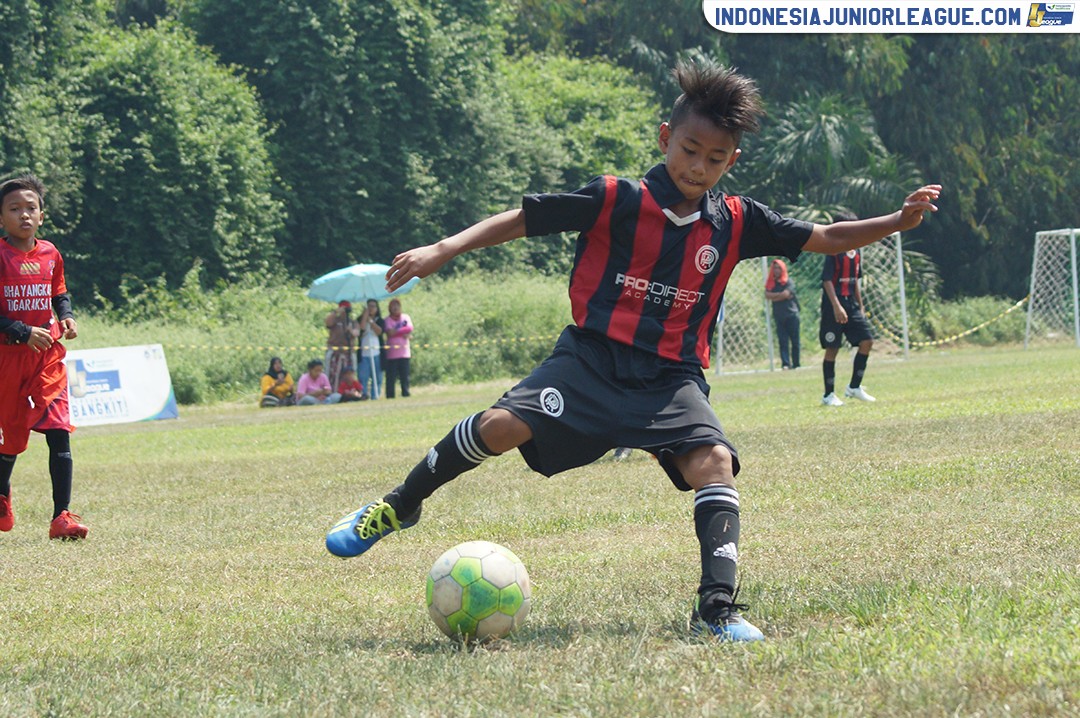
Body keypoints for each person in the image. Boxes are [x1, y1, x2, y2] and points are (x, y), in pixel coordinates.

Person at [325, 60, 941, 642]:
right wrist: (443, 249)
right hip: (590, 359)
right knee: (500, 425)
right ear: (665, 137)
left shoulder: (735, 220)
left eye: (716, 158)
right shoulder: (615, 199)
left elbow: (827, 236)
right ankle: (398, 506)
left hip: (671, 377)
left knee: (714, 464)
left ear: (733, 161)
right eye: (690, 151)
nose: (699, 167)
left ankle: (717, 611)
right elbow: (518, 219)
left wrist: (895, 220)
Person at [0, 174, 89, 540]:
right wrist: (21, 331)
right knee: (12, 441)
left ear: (41, 215)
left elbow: (59, 290)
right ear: (1, 217)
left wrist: (65, 314)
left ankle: (62, 517)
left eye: (30, 208)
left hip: (47, 358)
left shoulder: (51, 253)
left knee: (59, 432)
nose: (24, 215)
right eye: (14, 209)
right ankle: (2, 495)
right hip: (8, 361)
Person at [819, 211, 876, 406]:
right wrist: (836, 306)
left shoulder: (856, 251)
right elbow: (826, 280)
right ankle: (828, 395)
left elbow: (855, 281)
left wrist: (860, 306)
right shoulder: (833, 251)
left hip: (850, 303)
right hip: (833, 305)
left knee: (867, 341)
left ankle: (854, 387)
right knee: (832, 348)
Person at [764, 258, 800, 369]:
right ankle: (785, 363)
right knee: (782, 341)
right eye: (775, 268)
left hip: (791, 314)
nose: (776, 270)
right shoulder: (771, 283)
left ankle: (796, 363)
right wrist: (780, 296)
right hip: (779, 315)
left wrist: (774, 296)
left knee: (795, 340)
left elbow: (786, 294)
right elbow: (767, 294)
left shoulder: (788, 281)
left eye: (779, 268)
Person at [325, 300, 359, 391]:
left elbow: (357, 333)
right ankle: (333, 393)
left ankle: (347, 392)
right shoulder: (335, 320)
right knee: (333, 376)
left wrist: (350, 331)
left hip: (348, 353)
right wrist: (336, 312)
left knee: (349, 376)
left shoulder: (352, 322)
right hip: (335, 353)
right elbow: (327, 322)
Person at [383, 298, 413, 399]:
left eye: (397, 305)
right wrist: (402, 332)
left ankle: (406, 393)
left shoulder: (405, 317)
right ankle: (390, 396)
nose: (395, 308)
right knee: (391, 377)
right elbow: (389, 332)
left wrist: (396, 331)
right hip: (392, 354)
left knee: (405, 376)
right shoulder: (387, 320)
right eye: (393, 306)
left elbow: (409, 328)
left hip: (404, 352)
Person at [357, 298, 384, 399]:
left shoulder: (380, 320)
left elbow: (379, 331)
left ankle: (375, 395)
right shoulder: (360, 319)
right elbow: (361, 329)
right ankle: (363, 395)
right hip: (364, 353)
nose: (371, 308)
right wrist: (365, 316)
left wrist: (371, 321)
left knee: (377, 377)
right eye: (369, 306)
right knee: (363, 377)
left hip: (377, 353)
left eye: (373, 306)